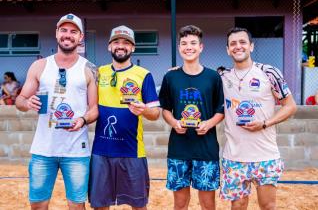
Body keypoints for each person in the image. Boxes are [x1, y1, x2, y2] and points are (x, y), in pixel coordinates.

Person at [15, 13, 98, 210]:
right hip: (44, 149)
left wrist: (83, 120)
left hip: (77, 150)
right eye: (64, 30)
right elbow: (19, 99)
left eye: (73, 31)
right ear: (56, 33)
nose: (67, 35)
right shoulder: (40, 65)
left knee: (77, 206)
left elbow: (94, 109)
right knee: (38, 205)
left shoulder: (90, 68)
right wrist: (27, 103)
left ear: (80, 37)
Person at [218, 27, 297, 210]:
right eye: (233, 44)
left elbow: (290, 105)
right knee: (238, 206)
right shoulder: (222, 77)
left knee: (268, 206)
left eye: (242, 42)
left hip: (266, 156)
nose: (238, 46)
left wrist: (264, 123)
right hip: (234, 157)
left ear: (251, 46)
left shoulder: (268, 72)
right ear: (228, 50)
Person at [89, 25, 160, 210]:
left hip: (132, 151)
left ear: (133, 48)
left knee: (138, 205)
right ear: (109, 46)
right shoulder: (99, 72)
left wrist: (143, 109)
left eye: (126, 43)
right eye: (116, 42)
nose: (121, 46)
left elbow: (155, 114)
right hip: (101, 150)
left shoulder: (144, 75)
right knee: (99, 205)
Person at [159, 25, 225, 210]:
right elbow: (165, 109)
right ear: (179, 48)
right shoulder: (171, 76)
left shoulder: (213, 77)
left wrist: (209, 123)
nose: (189, 47)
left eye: (193, 43)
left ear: (201, 47)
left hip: (206, 148)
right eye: (184, 43)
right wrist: (174, 122)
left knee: (207, 204)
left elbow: (221, 110)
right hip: (179, 149)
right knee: (180, 204)